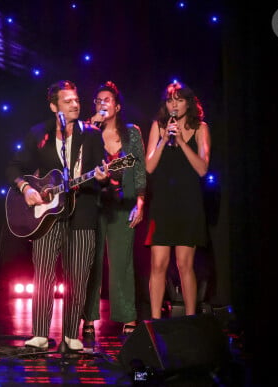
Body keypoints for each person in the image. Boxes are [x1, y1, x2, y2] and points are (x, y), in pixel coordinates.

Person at [5, 80, 109, 351]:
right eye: (67, 101)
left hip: (84, 211)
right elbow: (14, 167)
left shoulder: (92, 135)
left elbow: (107, 173)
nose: (75, 104)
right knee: (43, 274)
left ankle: (71, 334)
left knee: (79, 275)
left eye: (76, 100)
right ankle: (40, 333)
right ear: (54, 107)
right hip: (46, 216)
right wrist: (26, 188)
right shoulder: (39, 133)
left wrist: (105, 176)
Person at [82, 81, 146, 339]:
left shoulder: (132, 133)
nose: (102, 104)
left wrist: (140, 201)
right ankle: (87, 317)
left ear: (117, 106)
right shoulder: (86, 131)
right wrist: (90, 128)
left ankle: (127, 315)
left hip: (122, 204)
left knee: (122, 262)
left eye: (107, 100)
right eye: (98, 100)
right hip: (93, 204)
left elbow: (139, 167)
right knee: (91, 263)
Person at [144, 81, 211, 319]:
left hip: (188, 203)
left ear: (189, 103)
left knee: (185, 265)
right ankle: (155, 321)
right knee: (158, 264)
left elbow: (202, 169)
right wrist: (164, 139)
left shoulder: (201, 128)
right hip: (162, 203)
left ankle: (191, 320)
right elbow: (149, 167)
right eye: (170, 100)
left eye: (179, 100)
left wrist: (182, 141)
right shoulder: (158, 126)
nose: (174, 104)